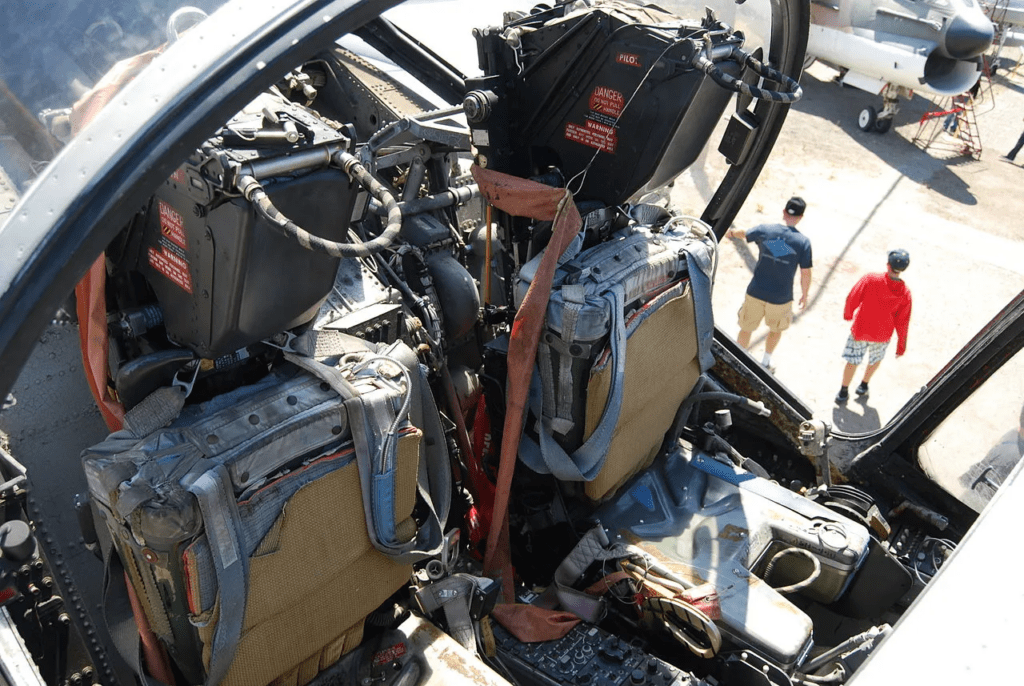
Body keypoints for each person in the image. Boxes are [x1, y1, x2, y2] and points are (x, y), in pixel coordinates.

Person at [725, 196, 812, 371]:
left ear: (783, 212)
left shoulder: (766, 230)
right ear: (801, 217)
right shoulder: (803, 243)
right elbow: (805, 272)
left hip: (756, 292)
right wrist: (805, 294)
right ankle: (766, 361)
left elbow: (745, 233)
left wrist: (732, 233)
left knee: (746, 327)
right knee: (776, 330)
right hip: (781, 298)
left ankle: (738, 359)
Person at [835, 250, 912, 403]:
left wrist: (848, 313)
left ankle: (843, 391)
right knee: (875, 359)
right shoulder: (905, 293)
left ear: (887, 265)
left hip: (861, 330)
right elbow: (903, 321)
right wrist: (901, 346)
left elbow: (853, 296)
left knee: (853, 360)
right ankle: (863, 385)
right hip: (882, 335)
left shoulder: (871, 279)